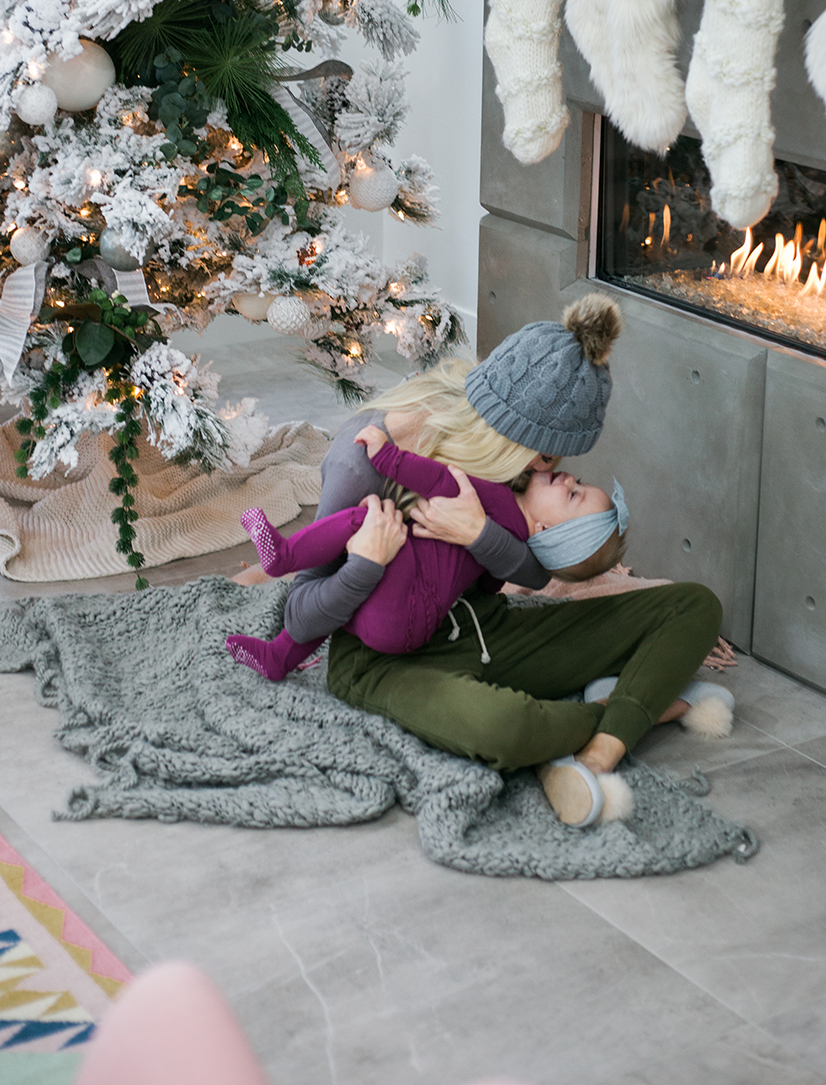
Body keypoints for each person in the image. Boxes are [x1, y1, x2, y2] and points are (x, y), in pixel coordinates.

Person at [240, 293, 729, 827]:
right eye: (547, 456)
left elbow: (537, 568)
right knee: (506, 728)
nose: (550, 470)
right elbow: (301, 615)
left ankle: (601, 747)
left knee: (693, 605)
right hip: (384, 657)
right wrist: (364, 566)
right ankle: (628, 711)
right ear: (513, 435)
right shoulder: (363, 463)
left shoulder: (510, 469)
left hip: (483, 627)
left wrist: (476, 533)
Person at [225, 425, 629, 678]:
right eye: (579, 482)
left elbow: (439, 480)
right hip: (407, 628)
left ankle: (284, 556)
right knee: (344, 598)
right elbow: (489, 583)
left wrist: (387, 456)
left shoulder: (495, 500)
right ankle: (278, 657)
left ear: (545, 530)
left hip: (399, 607)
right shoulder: (509, 545)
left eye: (573, 495)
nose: (569, 479)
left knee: (368, 519)